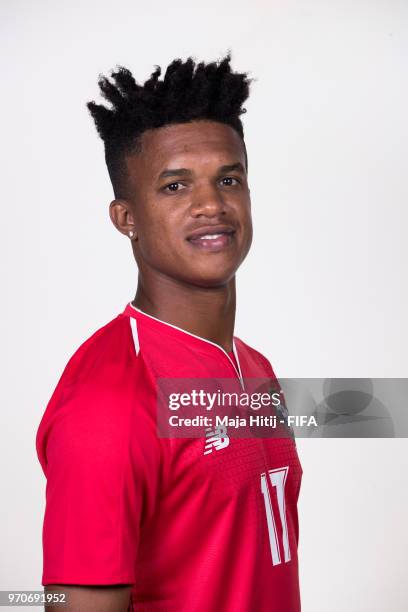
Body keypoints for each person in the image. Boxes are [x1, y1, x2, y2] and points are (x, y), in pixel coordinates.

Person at [36, 54, 303, 612]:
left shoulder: (256, 369)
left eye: (229, 179)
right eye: (175, 186)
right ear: (125, 218)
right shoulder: (108, 401)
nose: (212, 204)